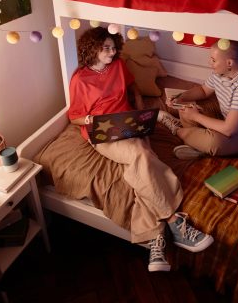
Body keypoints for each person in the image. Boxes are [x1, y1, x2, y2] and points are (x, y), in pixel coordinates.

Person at [68, 27, 214, 272]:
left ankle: (156, 241)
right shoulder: (80, 79)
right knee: (142, 156)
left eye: (114, 47)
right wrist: (89, 120)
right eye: (106, 48)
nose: (112, 52)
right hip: (103, 132)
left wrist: (139, 108)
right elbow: (74, 117)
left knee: (141, 165)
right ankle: (173, 220)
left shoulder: (117, 66)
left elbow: (133, 87)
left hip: (129, 122)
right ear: (92, 48)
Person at [158, 40, 238, 160]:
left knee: (215, 143)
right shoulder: (221, 72)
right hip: (227, 117)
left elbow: (229, 129)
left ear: (229, 63)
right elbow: (203, 91)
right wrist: (181, 97)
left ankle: (177, 129)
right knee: (186, 108)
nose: (209, 63)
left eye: (213, 60)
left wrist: (196, 117)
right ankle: (198, 144)